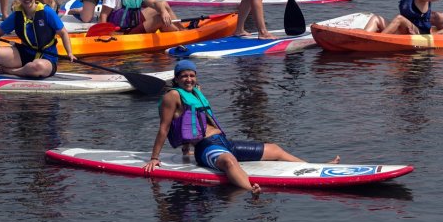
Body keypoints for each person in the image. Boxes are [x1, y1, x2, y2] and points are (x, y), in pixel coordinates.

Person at [143, 59, 339, 194]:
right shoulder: (172, 96)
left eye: (192, 75)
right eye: (184, 76)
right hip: (208, 148)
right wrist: (154, 158)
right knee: (228, 162)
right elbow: (166, 127)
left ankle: (314, 167)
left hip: (223, 142)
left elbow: (193, 121)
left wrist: (186, 151)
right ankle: (249, 189)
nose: (189, 79)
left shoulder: (196, 93)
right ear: (176, 78)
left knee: (274, 149)